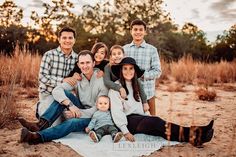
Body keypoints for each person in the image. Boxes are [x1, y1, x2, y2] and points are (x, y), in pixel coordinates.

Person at [108, 57, 214, 147]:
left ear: (135, 71)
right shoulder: (116, 89)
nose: (128, 71)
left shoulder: (136, 85)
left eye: (131, 68)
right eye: (125, 68)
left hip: (139, 118)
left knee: (161, 128)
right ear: (121, 71)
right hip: (127, 122)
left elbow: (141, 108)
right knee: (158, 123)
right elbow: (117, 112)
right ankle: (197, 135)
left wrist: (148, 116)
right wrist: (125, 132)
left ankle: (196, 136)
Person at [19, 50, 108, 144]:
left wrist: (77, 113)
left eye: (88, 62)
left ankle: (36, 137)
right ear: (78, 65)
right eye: (82, 63)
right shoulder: (77, 79)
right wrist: (70, 105)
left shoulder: (101, 79)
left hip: (96, 117)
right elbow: (56, 90)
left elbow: (100, 109)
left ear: (94, 63)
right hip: (80, 107)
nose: (85, 66)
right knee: (64, 94)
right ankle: (41, 125)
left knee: (72, 122)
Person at [36, 26, 79, 124]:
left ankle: (60, 113)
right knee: (53, 125)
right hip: (48, 95)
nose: (67, 40)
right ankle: (40, 107)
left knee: (71, 121)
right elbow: (42, 77)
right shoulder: (49, 55)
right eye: (64, 38)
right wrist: (62, 80)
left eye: (70, 38)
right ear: (59, 40)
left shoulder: (78, 59)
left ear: (74, 40)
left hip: (66, 97)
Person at [123, 19, 162, 116]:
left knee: (152, 123)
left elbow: (157, 71)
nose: (138, 32)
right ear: (131, 31)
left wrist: (142, 75)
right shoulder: (124, 49)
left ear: (145, 32)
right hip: (129, 95)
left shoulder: (152, 50)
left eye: (141, 30)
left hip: (148, 93)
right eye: (135, 29)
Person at [103, 45, 150, 114]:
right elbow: (107, 81)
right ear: (111, 56)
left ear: (123, 55)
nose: (117, 56)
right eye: (114, 54)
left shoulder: (127, 65)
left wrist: (144, 102)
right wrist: (120, 88)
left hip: (129, 92)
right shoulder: (108, 67)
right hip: (115, 92)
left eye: (119, 53)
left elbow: (139, 84)